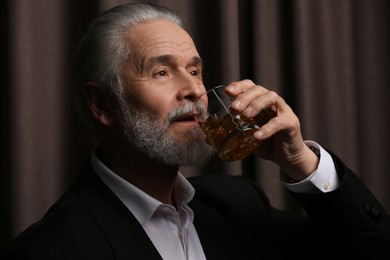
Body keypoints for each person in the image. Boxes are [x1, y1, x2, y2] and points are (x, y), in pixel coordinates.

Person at [2, 3, 390, 260]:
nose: (193, 90)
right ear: (102, 104)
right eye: (161, 71)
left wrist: (302, 164)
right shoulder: (50, 250)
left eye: (194, 70)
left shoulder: (237, 206)